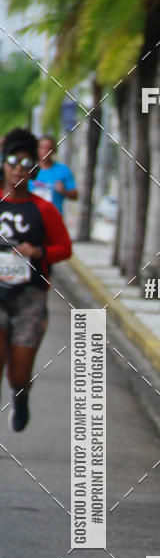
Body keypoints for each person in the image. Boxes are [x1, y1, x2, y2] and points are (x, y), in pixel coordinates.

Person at [0, 128, 72, 431]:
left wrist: (38, 250)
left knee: (18, 372)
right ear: (3, 163)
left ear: (33, 169)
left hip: (30, 297)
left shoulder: (43, 209)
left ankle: (20, 396)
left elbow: (64, 248)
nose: (19, 168)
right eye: (13, 161)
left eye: (26, 163)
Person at [29, 135, 78, 214]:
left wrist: (63, 191)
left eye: (48, 148)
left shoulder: (62, 170)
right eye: (42, 148)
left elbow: (75, 195)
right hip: (32, 215)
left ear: (54, 150)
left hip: (54, 215)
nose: (45, 151)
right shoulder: (29, 170)